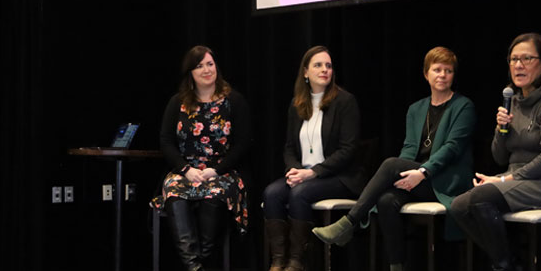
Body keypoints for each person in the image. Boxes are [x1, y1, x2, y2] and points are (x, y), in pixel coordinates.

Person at [312, 46, 476, 271]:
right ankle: (396, 266)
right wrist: (402, 176)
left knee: (390, 164)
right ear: (426, 73)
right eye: (437, 70)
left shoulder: (463, 106)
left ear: (453, 75)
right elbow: (409, 148)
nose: (442, 75)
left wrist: (421, 172)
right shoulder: (416, 109)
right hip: (420, 178)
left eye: (448, 71)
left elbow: (452, 148)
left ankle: (349, 222)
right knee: (386, 200)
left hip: (447, 180)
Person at [449, 33, 541, 271]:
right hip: (520, 181)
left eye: (527, 59)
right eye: (513, 59)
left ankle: (502, 265)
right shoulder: (513, 101)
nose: (518, 65)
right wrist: (502, 128)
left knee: (481, 198)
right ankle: (509, 262)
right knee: (458, 205)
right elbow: (499, 157)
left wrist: (504, 179)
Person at [150, 45, 251, 271]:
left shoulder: (234, 100)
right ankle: (194, 267)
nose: (206, 70)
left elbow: (243, 143)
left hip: (221, 172)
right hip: (186, 171)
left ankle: (200, 264)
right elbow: (166, 141)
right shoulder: (177, 102)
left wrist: (216, 169)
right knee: (174, 191)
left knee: (213, 195)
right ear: (190, 73)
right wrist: (186, 170)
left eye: (210, 64)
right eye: (199, 66)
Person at [263, 46, 363, 271]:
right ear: (305, 72)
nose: (325, 70)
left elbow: (348, 150)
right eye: (318, 65)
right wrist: (294, 170)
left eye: (328, 65)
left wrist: (313, 172)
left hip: (340, 176)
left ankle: (298, 262)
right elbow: (289, 147)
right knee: (272, 194)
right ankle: (279, 261)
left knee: (299, 194)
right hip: (305, 174)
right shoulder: (297, 104)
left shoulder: (345, 102)